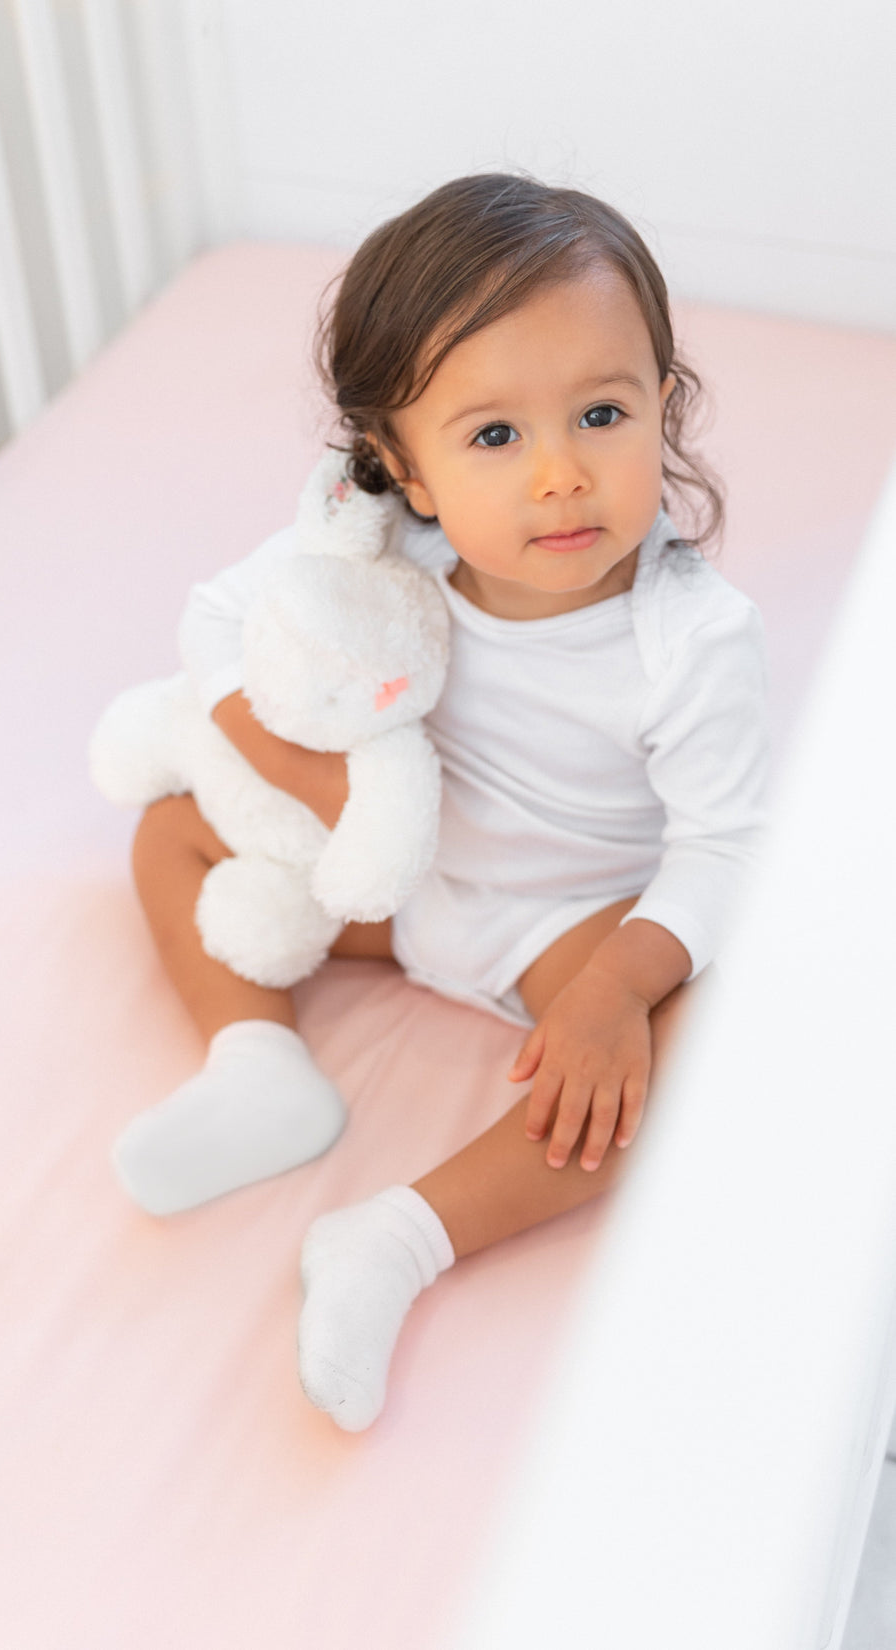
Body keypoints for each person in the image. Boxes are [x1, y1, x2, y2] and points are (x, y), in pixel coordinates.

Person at [114, 173, 770, 1431]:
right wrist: (313, 786)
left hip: (563, 921)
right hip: (397, 879)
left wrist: (616, 985)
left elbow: (727, 846)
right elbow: (215, 626)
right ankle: (257, 1066)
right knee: (167, 828)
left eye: (599, 412)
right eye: (492, 438)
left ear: (662, 405)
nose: (561, 477)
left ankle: (395, 1239)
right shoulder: (374, 548)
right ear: (399, 469)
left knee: (694, 1058)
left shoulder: (691, 642)